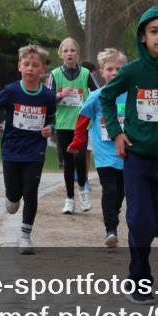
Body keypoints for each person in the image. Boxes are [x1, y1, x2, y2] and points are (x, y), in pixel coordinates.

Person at [99, 7, 158, 303]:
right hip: (137, 156)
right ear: (143, 36)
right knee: (139, 221)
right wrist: (116, 131)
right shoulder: (131, 72)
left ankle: (149, 234)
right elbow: (105, 96)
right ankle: (139, 278)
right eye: (154, 31)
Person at [0, 45, 56, 253]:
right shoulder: (11, 91)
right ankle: (11, 196)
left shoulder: (48, 96)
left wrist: (50, 128)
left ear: (42, 69)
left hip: (35, 151)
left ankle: (25, 236)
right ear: (19, 66)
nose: (30, 69)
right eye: (26, 64)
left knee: (31, 191)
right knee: (15, 194)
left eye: (35, 65)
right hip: (11, 149)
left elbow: (52, 119)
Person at [68, 48, 128, 247]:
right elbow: (82, 119)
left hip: (127, 155)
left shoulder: (132, 96)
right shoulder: (97, 96)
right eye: (110, 69)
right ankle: (111, 230)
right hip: (104, 155)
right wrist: (77, 142)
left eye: (119, 69)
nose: (114, 73)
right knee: (109, 190)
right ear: (102, 72)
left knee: (120, 193)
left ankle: (113, 216)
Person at [47, 37, 100, 214]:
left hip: (81, 124)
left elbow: (98, 94)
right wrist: (59, 95)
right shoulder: (54, 74)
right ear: (61, 54)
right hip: (62, 125)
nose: (69, 54)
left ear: (78, 53)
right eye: (66, 51)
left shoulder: (86, 74)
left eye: (72, 50)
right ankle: (69, 199)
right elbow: (47, 100)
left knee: (79, 159)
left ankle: (83, 191)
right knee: (68, 162)